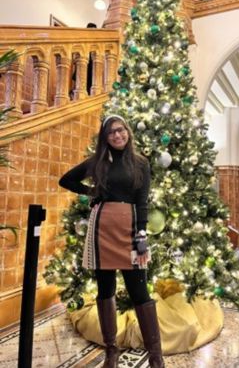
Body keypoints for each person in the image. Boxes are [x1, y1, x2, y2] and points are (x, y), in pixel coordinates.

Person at [59, 115, 164, 368]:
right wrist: (92, 192)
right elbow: (66, 180)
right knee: (105, 290)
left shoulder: (140, 163)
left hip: (129, 231)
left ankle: (156, 356)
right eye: (111, 133)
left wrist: (141, 235)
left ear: (127, 132)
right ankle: (111, 352)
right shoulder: (97, 162)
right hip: (101, 229)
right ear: (105, 138)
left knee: (140, 292)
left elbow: (142, 202)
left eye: (120, 130)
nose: (117, 135)